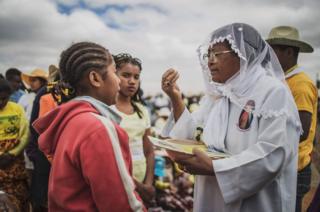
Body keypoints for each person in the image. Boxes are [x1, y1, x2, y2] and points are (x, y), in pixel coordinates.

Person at [161, 23, 301, 211]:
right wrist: (176, 99)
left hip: (255, 202)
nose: (209, 61)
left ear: (243, 54)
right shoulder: (220, 95)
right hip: (212, 194)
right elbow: (193, 134)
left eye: (216, 54)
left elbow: (274, 153)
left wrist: (215, 168)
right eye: (207, 55)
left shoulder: (272, 92)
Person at [32, 42, 145, 211]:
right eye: (115, 72)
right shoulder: (98, 128)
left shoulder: (71, 120)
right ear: (95, 78)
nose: (119, 82)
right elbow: (121, 204)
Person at [266, 26, 318, 212]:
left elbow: (301, 131)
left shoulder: (301, 84)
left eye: (274, 51)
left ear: (289, 52)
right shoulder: (283, 80)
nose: (269, 56)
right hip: (283, 164)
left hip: (294, 169)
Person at [112, 53, 155, 206]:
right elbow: (111, 159)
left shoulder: (142, 110)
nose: (132, 82)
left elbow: (149, 151)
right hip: (118, 185)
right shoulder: (108, 111)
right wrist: (138, 185)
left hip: (143, 183)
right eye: (126, 75)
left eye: (136, 77)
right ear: (113, 75)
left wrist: (148, 184)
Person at [0, 79, 29, 211]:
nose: (1, 102)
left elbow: (25, 134)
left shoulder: (17, 109)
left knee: (20, 198)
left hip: (15, 164)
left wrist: (12, 153)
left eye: (4, 99)